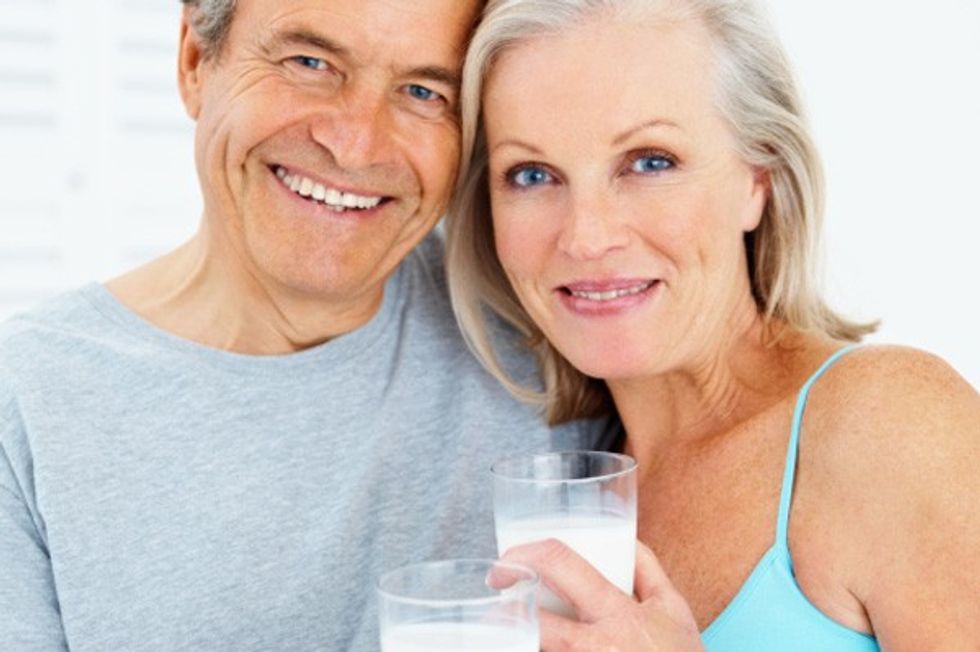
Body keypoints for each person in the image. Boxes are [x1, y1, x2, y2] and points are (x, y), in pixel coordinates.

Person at [0, 1, 609, 650]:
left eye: (424, 92)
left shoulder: (548, 336)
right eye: (309, 62)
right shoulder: (30, 404)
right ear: (194, 62)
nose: (355, 143)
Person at [446, 0, 980, 649]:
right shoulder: (559, 485)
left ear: (760, 179)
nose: (586, 236)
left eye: (649, 162)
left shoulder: (888, 421)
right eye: (531, 175)